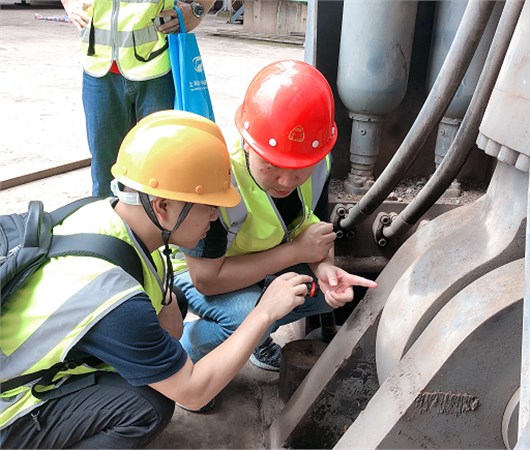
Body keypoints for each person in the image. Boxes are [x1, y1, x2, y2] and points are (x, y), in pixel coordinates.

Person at [0, 111, 314, 448]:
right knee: (148, 406)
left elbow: (171, 330)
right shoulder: (115, 300)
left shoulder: (103, 213)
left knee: (172, 300)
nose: (215, 215)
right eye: (208, 205)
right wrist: (265, 311)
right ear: (162, 207)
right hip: (9, 407)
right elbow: (193, 393)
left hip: (29, 359)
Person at [175, 60, 378, 372]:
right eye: (271, 165)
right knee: (248, 313)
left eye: (298, 170)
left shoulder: (318, 164)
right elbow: (206, 280)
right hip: (197, 272)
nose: (285, 181)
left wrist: (326, 270)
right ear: (246, 142)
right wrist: (296, 253)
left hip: (260, 260)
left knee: (320, 294)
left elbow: (316, 231)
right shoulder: (220, 178)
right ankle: (192, 346)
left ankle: (255, 338)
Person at [61, 0, 215, 197]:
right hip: (99, 66)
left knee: (159, 169)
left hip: (156, 65)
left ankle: (159, 225)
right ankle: (105, 225)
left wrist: (197, 9)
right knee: (104, 171)